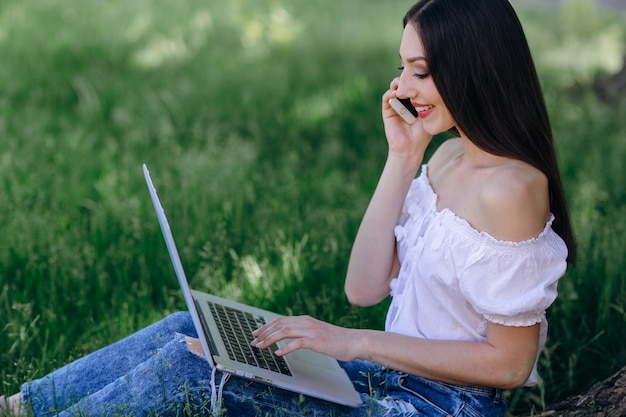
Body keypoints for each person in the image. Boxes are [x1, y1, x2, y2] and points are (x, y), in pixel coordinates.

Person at [1, 0, 576, 415]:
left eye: (420, 72)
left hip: (439, 405)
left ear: (476, 70)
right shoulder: (446, 161)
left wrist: (355, 342)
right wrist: (402, 159)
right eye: (402, 67)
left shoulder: (512, 189)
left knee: (190, 372)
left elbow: (508, 367)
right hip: (385, 378)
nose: (401, 86)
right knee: (190, 329)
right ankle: (23, 406)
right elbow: (364, 288)